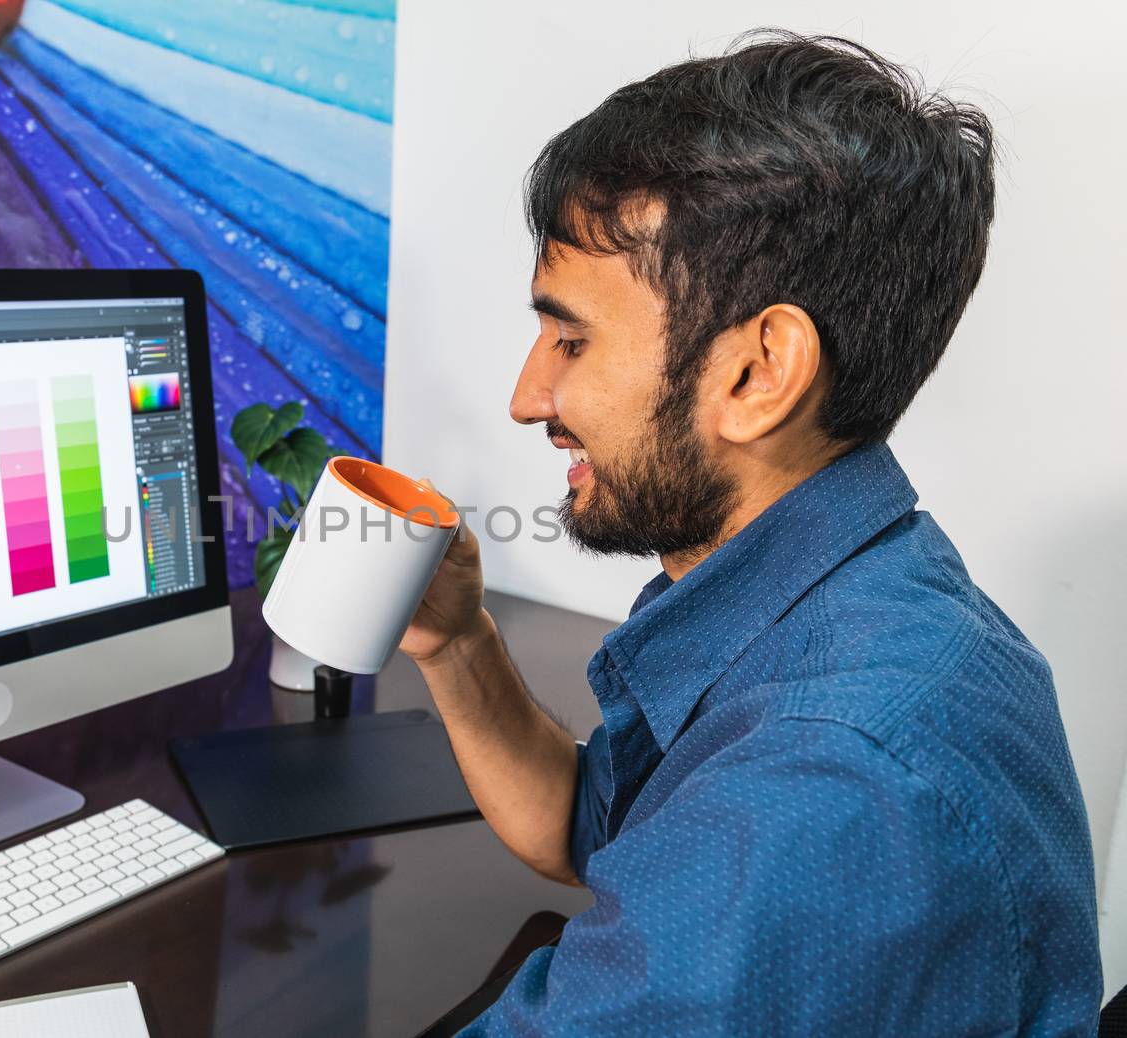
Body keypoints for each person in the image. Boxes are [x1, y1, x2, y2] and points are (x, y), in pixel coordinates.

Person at [402, 30, 1101, 1034]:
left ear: (757, 370)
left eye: (571, 338)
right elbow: (594, 827)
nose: (527, 397)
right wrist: (458, 642)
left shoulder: (823, 779)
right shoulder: (850, 600)